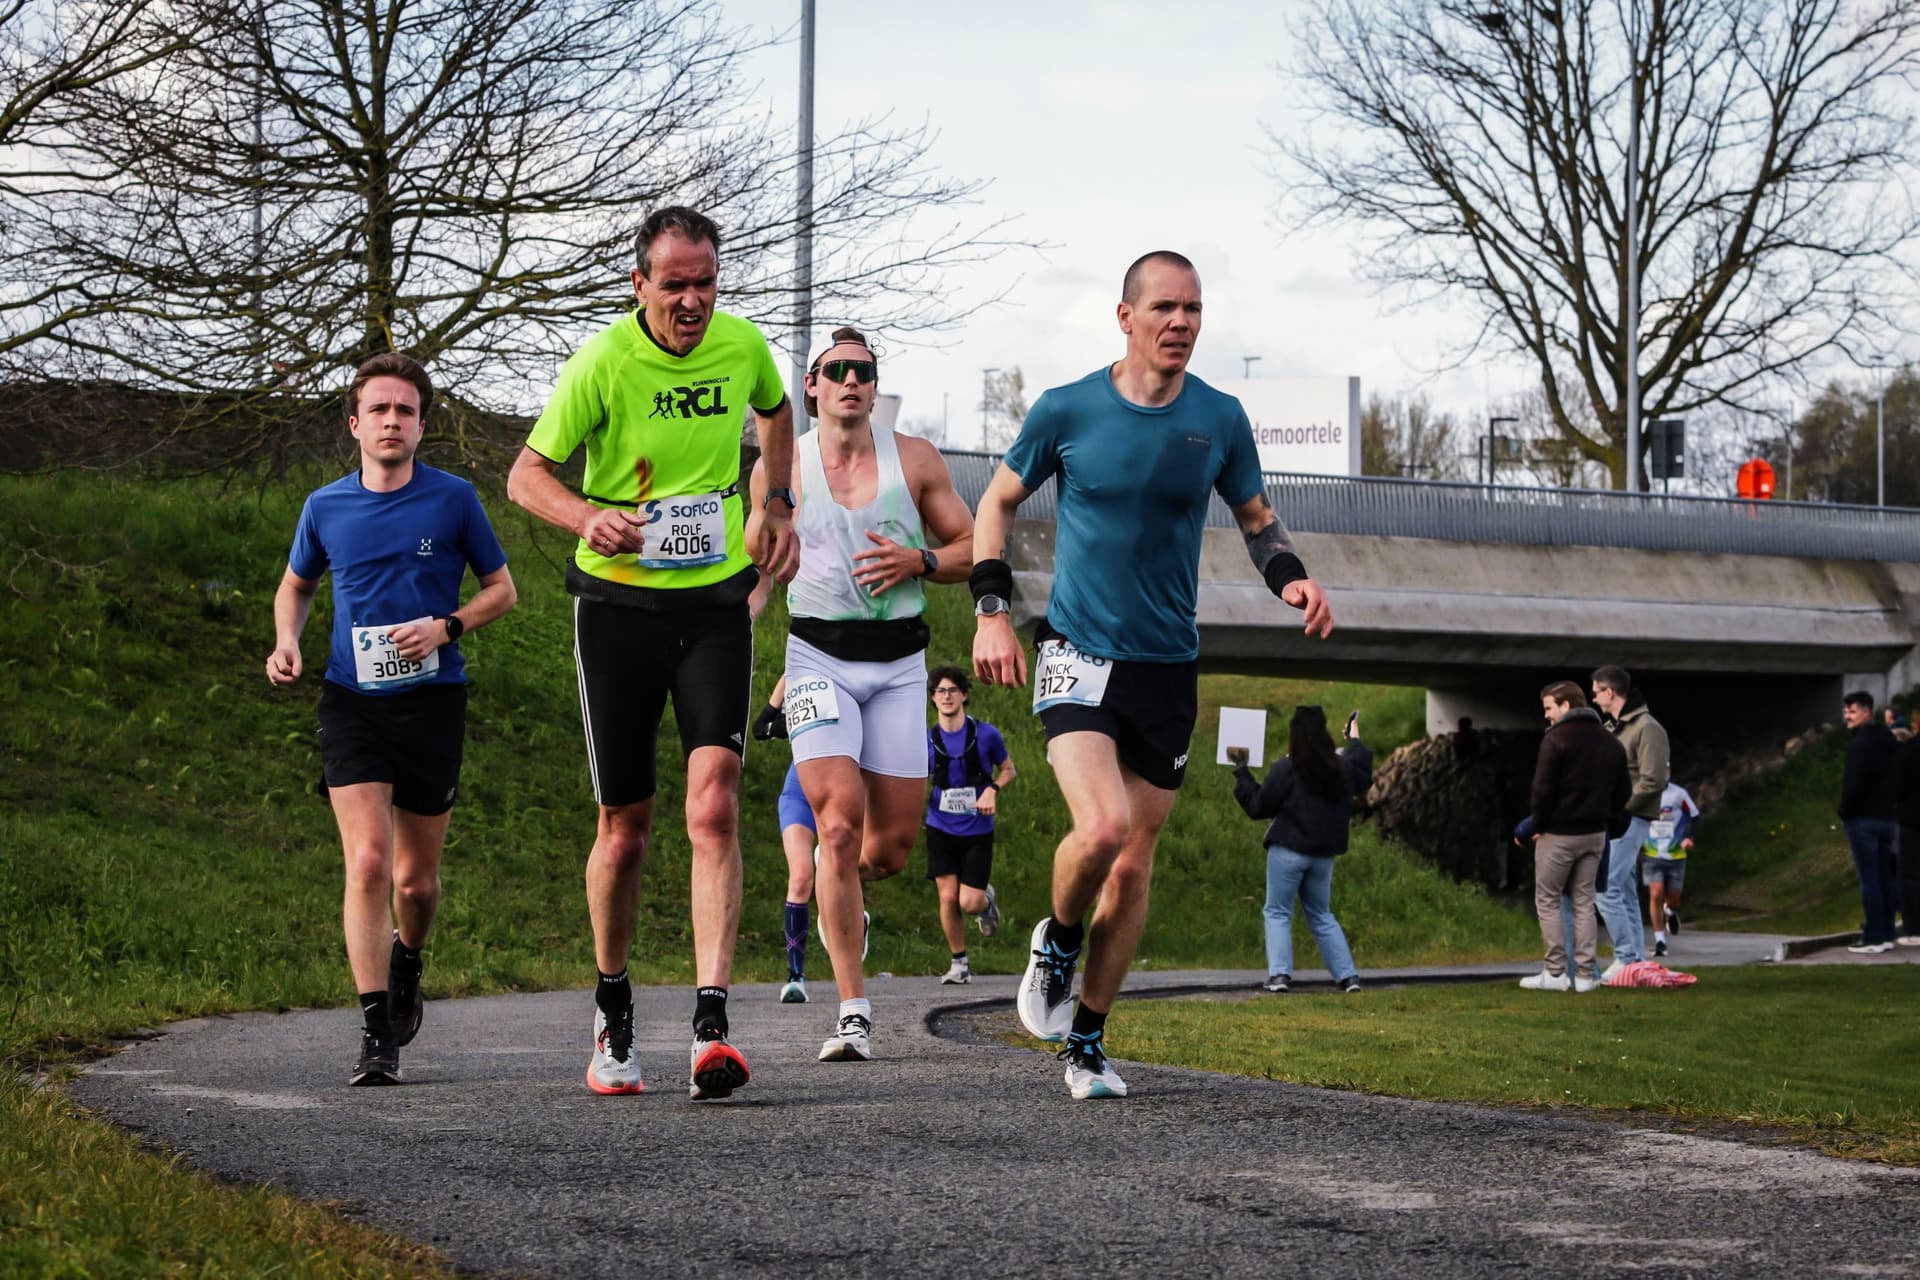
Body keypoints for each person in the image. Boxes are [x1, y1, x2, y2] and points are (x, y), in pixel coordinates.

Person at [971, 249, 1334, 1101]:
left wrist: (1292, 578)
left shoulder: (1220, 418)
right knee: (1100, 829)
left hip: (1166, 667)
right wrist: (991, 607)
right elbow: (996, 502)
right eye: (1165, 307)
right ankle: (1058, 943)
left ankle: (1087, 1043)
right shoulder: (1066, 409)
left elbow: (1258, 520)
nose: (1180, 323)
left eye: (1193, 309)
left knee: (1133, 867)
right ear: (1126, 316)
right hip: (1077, 651)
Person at [506, 205, 798, 1101]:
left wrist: (775, 503)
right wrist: (585, 516)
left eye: (705, 282)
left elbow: (777, 412)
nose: (692, 300)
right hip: (618, 611)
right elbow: (525, 476)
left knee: (714, 802)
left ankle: (712, 1024)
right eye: (674, 284)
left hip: (712, 606)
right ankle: (613, 1003)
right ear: (639, 284)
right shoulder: (601, 362)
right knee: (624, 829)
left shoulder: (742, 345)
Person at [266, 353, 518, 1085]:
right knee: (369, 862)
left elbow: (502, 590)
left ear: (421, 426)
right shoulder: (325, 507)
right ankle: (377, 1032)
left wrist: (448, 626)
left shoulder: (453, 499)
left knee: (415, 884)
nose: (391, 421)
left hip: (432, 702)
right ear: (355, 424)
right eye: (378, 409)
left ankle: (408, 956)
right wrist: (287, 640)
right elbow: (295, 586)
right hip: (351, 702)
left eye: (405, 410)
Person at [746, 325, 975, 1063]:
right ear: (811, 385)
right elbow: (757, 550)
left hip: (900, 667)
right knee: (837, 827)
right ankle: (852, 1011)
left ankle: (840, 891)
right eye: (837, 370)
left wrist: (920, 560)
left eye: (864, 371)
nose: (851, 380)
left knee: (891, 849)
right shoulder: (783, 463)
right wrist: (759, 561)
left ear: (875, 387)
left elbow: (973, 549)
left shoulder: (916, 459)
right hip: (817, 660)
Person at [1228, 706, 1370, 995]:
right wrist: (1354, 739)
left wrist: (1242, 773)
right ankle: (1348, 978)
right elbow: (1362, 771)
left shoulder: (1286, 768)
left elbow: (1258, 807)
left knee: (1278, 912)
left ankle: (1280, 975)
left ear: (1294, 733)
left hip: (1288, 851)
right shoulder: (1341, 768)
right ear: (1325, 732)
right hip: (1323, 856)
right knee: (1321, 915)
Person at [1520, 682, 1629, 992]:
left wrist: (1537, 824)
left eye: (1549, 708)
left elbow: (1543, 790)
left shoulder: (1556, 740)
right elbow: (1624, 792)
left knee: (1548, 899)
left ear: (1566, 705)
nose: (1546, 715)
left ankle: (1555, 972)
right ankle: (1584, 976)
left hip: (1559, 834)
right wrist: (1605, 820)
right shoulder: (1611, 742)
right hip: (1595, 835)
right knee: (1584, 903)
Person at [923, 665, 1016, 983]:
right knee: (948, 897)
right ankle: (959, 963)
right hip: (939, 826)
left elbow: (1008, 770)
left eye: (953, 690)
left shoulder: (986, 735)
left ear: (964, 695)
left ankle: (986, 901)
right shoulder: (927, 740)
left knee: (969, 902)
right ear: (933, 698)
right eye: (940, 691)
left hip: (978, 829)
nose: (946, 696)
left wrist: (992, 790)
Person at [1590, 666, 1667, 977]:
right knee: (1622, 887)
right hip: (1616, 819)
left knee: (1605, 887)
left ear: (1610, 692)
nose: (1594, 699)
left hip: (1631, 818)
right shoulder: (1613, 729)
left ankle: (1625, 957)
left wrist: (1619, 810)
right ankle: (1635, 961)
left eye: (1596, 692)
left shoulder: (1648, 728)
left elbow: (1653, 780)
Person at [1839, 690, 1901, 954]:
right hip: (1887, 817)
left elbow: (1854, 784)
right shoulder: (1888, 740)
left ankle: (1874, 936)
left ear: (1866, 712)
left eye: (1852, 711)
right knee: (1885, 876)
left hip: (1863, 818)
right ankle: (1886, 932)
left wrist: (1845, 811)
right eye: (1846, 711)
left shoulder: (1860, 744)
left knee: (1870, 878)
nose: (1847, 716)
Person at [1641, 766, 1698, 958]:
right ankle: (1660, 942)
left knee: (1674, 898)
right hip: (1652, 854)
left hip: (1676, 854)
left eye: (1665, 770)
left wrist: (1688, 837)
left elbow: (1695, 816)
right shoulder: (1644, 793)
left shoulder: (1679, 794)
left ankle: (1670, 911)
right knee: (1655, 893)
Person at [773, 761, 817, 1003]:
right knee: (800, 877)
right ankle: (795, 977)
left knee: (847, 866)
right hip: (800, 789)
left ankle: (849, 916)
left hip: (845, 786)